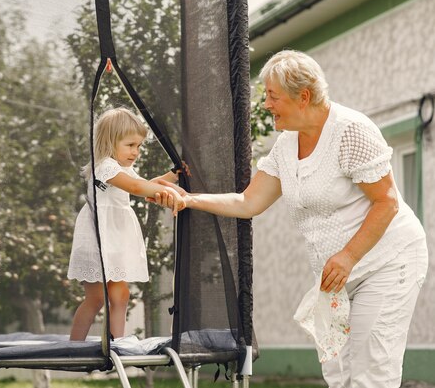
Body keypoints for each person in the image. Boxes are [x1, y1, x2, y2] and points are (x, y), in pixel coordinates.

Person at [150, 50, 428, 387]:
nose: (266, 103)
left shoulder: (351, 130)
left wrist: (349, 255)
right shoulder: (286, 145)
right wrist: (188, 199)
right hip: (336, 275)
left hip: (386, 263)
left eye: (272, 95)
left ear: (304, 97)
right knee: (339, 374)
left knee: (372, 373)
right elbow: (248, 201)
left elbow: (387, 202)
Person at [67, 107, 185, 341]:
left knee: (120, 296)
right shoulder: (105, 167)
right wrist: (170, 193)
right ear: (110, 142)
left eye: (139, 146)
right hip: (98, 241)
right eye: (130, 145)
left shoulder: (123, 169)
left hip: (113, 241)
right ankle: (75, 346)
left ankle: (116, 344)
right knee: (96, 299)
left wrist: (172, 176)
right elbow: (136, 188)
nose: (136, 152)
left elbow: (143, 184)